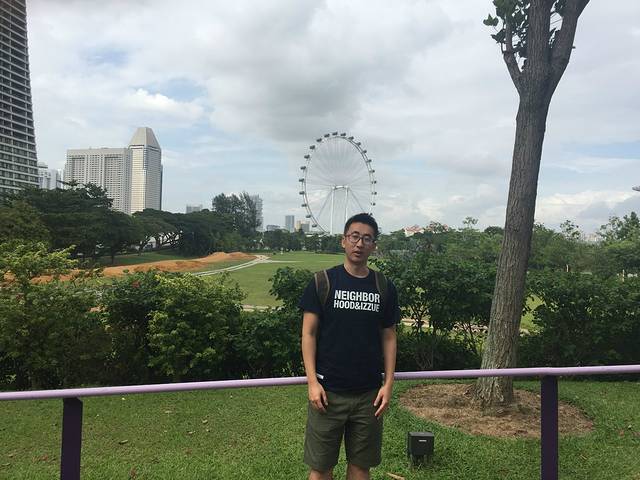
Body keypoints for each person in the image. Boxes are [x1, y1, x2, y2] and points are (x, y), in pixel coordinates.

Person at [299, 213, 399, 480]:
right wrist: (312, 382)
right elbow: (308, 334)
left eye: (367, 238)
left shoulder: (383, 286)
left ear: (374, 246)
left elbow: (389, 336)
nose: (359, 243)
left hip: (369, 395)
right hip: (327, 393)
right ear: (343, 240)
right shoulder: (323, 282)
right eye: (354, 236)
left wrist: (388, 383)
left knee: (360, 467)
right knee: (321, 469)